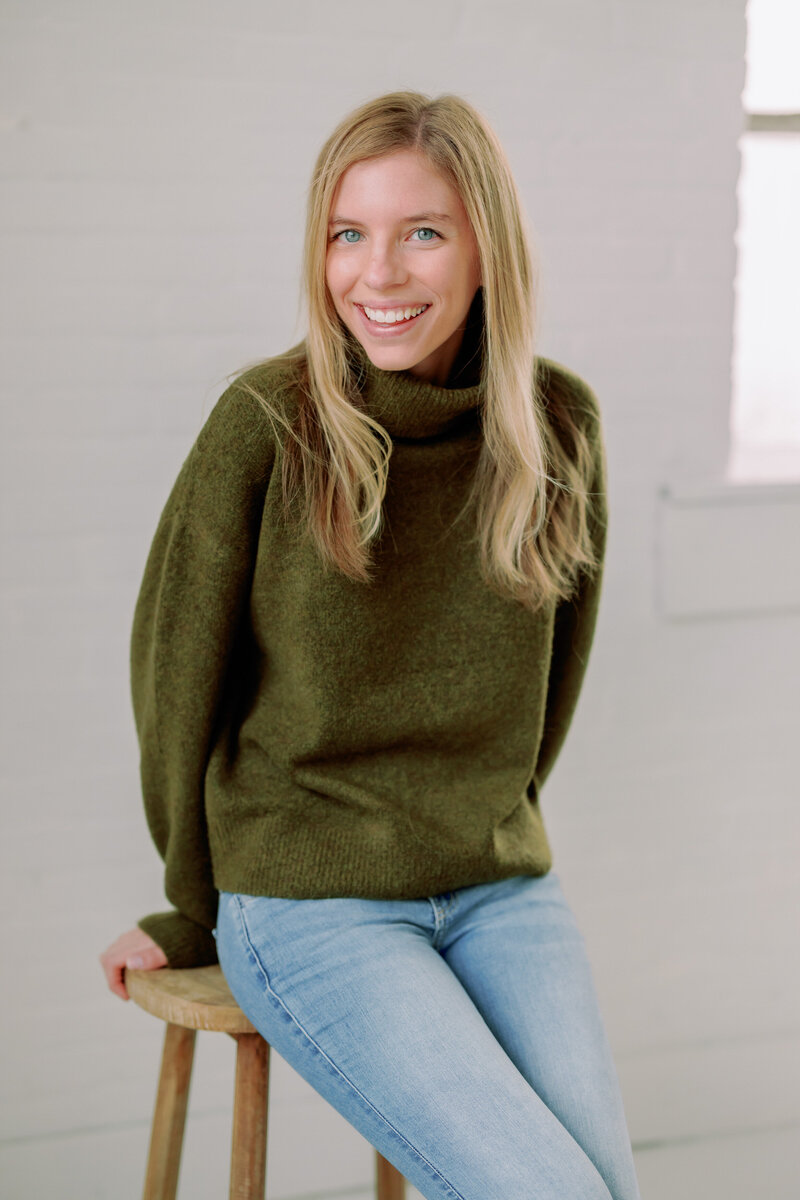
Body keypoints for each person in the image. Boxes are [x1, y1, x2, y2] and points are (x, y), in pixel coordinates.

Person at [100, 90, 642, 1200]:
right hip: (308, 899)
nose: (378, 274)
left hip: (496, 888)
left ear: (487, 246)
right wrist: (189, 903)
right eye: (348, 234)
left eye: (422, 232)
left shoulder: (556, 426)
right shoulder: (266, 424)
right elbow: (174, 687)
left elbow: (552, 683)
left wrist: (491, 817)